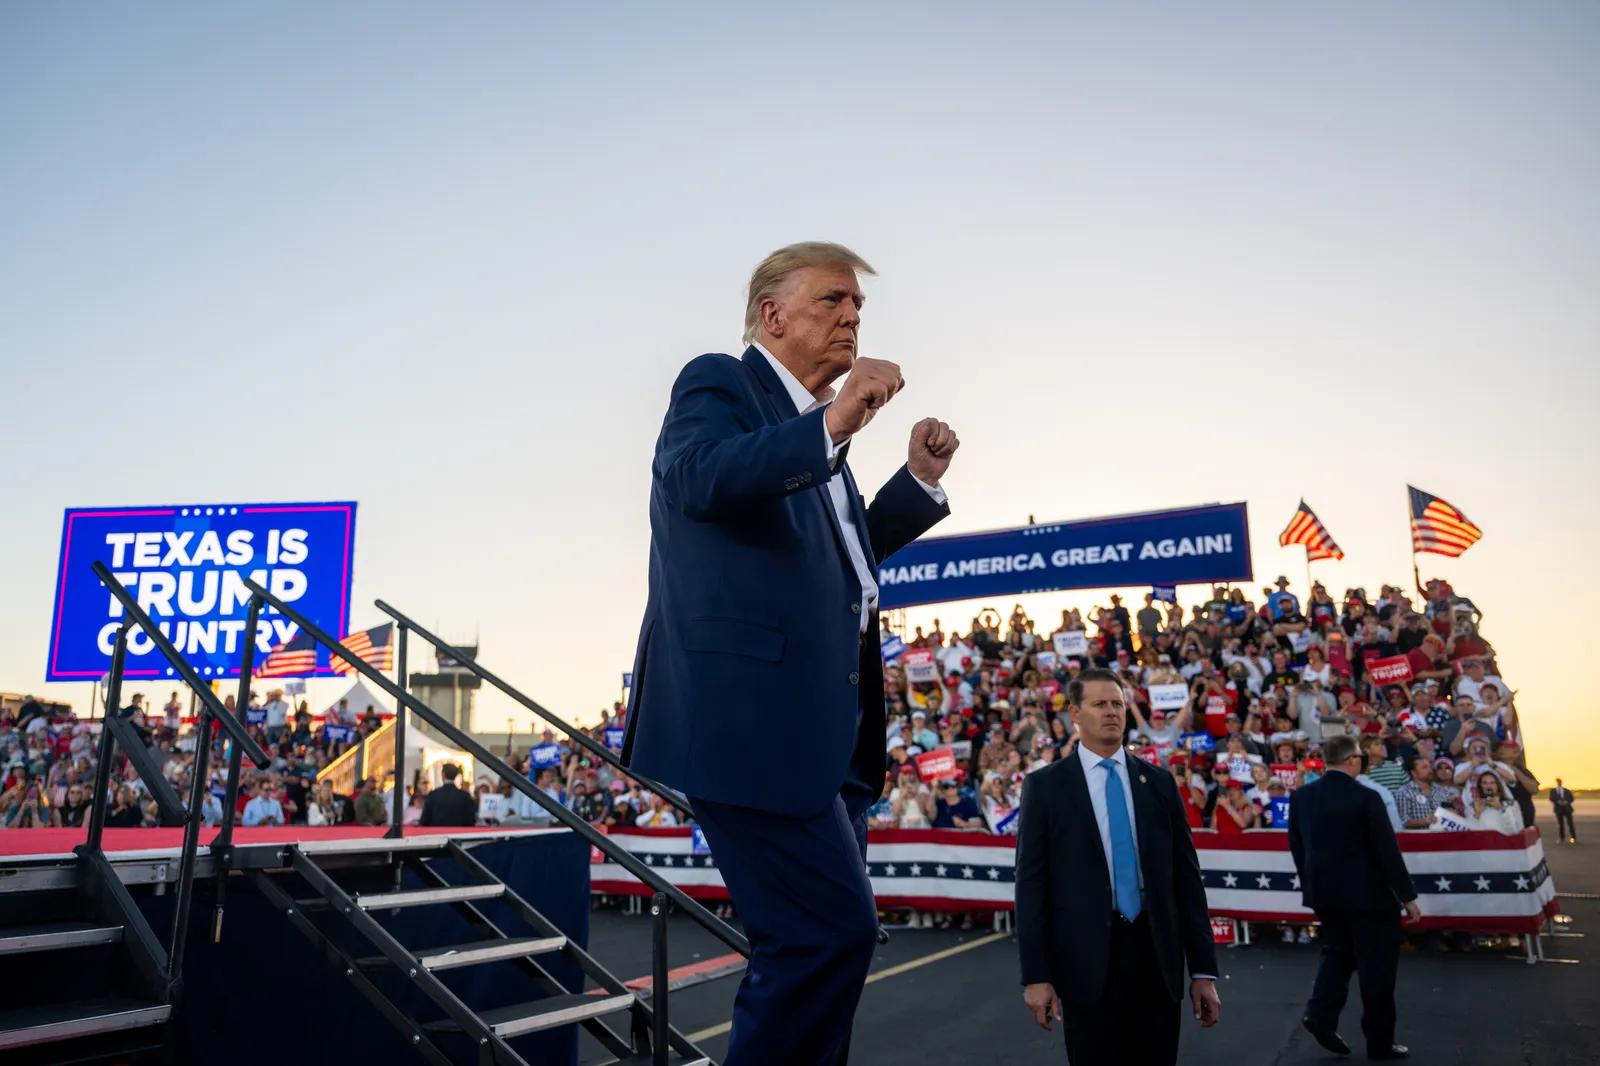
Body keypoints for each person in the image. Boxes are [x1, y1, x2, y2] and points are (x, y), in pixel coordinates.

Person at [620, 242, 958, 1066]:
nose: (852, 317)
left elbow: (844, 564)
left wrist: (913, 484)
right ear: (773, 315)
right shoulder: (720, 383)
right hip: (751, 725)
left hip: (826, 739)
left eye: (859, 308)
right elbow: (695, 476)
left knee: (819, 947)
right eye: (834, 301)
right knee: (826, 938)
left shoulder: (816, 446)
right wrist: (832, 424)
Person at [1015, 669, 1220, 1065]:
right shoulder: (1046, 788)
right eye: (1099, 704)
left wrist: (1203, 971)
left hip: (1157, 960)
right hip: (1086, 965)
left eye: (1118, 704)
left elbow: (1186, 881)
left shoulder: (1159, 783)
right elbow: (1031, 885)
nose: (1112, 712)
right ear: (1075, 713)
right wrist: (1037, 975)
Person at [1288, 734, 1421, 1061]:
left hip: (1324, 895)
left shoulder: (1302, 797)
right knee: (1376, 969)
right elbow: (1386, 851)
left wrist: (1311, 885)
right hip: (1370, 899)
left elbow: (1297, 847)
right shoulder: (1367, 797)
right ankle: (1380, 1043)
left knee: (1337, 954)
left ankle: (1319, 1015)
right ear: (1352, 761)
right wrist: (1407, 896)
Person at [418, 762, 477, 827]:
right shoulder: (465, 796)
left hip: (436, 834)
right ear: (456, 775)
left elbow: (424, 820)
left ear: (443, 775)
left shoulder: (433, 795)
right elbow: (471, 820)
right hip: (458, 833)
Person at [1549, 777, 1577, 843]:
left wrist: (1567, 801)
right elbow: (1551, 799)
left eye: (1560, 781)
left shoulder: (1567, 790)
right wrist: (1557, 801)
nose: (1559, 782)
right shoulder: (1553, 791)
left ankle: (1573, 837)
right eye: (1558, 781)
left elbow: (1572, 798)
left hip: (1567, 808)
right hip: (1558, 809)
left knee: (1570, 823)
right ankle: (1562, 838)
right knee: (1560, 824)